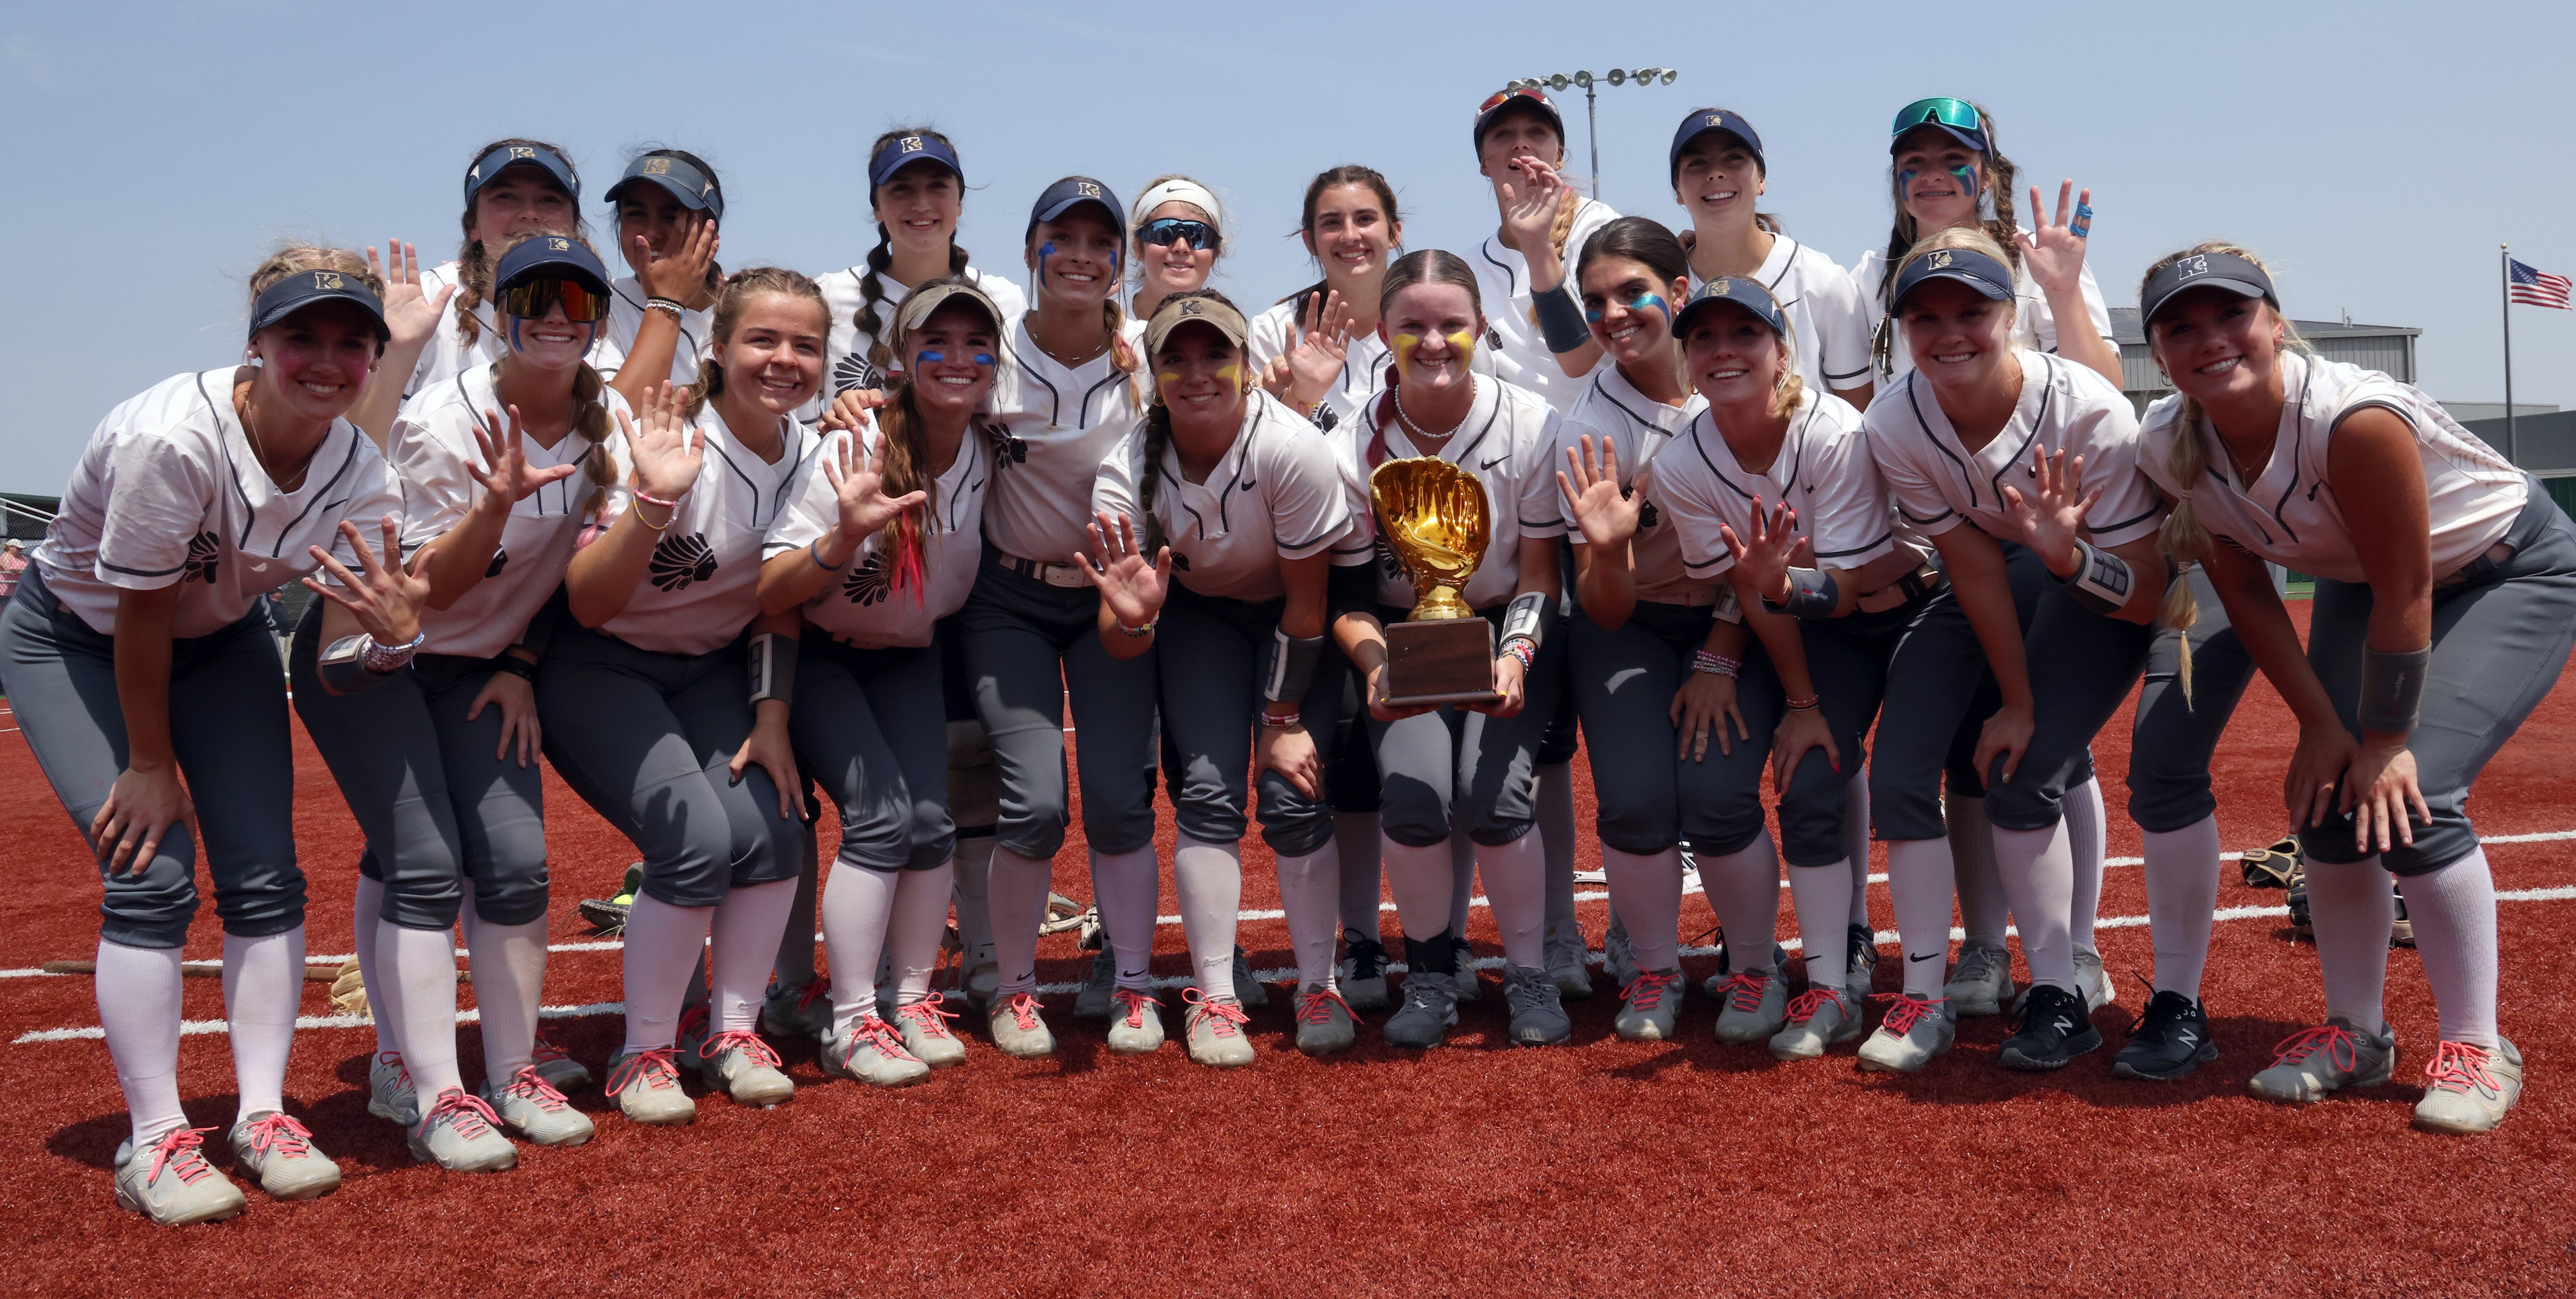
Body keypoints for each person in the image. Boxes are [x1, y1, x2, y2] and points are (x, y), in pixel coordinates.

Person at [1, 248, 416, 1223]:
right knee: (150, 871)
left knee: (267, 872)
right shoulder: (172, 439)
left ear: (372, 360)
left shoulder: (362, 474)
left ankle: (262, 1116)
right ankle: (153, 1139)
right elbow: (137, 614)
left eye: (351, 344)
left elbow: (342, 660)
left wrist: (399, 642)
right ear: (256, 345)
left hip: (219, 640)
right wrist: (150, 764)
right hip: (77, 637)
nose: (325, 361)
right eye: (299, 338)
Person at [2132, 243, 2570, 1131]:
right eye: (2182, 328)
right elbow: (2249, 590)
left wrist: (2379, 739)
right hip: (2363, 583)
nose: (2211, 339)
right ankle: (2357, 1033)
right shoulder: (2167, 443)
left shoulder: (2351, 417)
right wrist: (2319, 726)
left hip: (2505, 570)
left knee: (2415, 792)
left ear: (2275, 322)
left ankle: (2478, 1043)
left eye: (2232, 315)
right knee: (2330, 798)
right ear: (2160, 352)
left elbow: (2407, 588)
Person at [304, 233, 626, 1169]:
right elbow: (427, 590)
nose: (557, 317)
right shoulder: (448, 421)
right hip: (374, 654)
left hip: (476, 666)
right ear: (492, 313)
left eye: (577, 300)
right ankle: (427, 1084)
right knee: (424, 862)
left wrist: (522, 662)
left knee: (519, 865)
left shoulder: (603, 430)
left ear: (600, 320)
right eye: (535, 298)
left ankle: (510, 1067)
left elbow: (565, 581)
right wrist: (493, 506)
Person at [1858, 229, 2167, 1071]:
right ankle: (1922, 998)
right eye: (1926, 317)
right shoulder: (1896, 420)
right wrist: (2016, 697)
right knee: (1901, 770)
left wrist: (2068, 558)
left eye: (1973, 311)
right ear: (1900, 329)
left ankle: (2062, 988)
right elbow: (1974, 570)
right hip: (2002, 574)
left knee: (2027, 773)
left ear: (2012, 314)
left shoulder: (2088, 410)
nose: (1950, 332)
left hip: (2105, 583)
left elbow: (2146, 589)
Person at [540, 268, 821, 1124]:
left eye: (805, 344)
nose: (783, 359)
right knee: (695, 843)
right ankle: (645, 1051)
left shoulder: (811, 454)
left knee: (776, 833)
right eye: (762, 340)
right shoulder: (656, 434)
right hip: (600, 665)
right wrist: (656, 501)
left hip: (709, 672)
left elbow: (781, 600)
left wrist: (772, 722)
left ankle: (731, 1033)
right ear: (719, 349)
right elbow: (586, 602)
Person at [1087, 290, 1356, 1060]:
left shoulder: (1292, 447)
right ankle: (1215, 996)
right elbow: (1120, 641)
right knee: (1206, 792)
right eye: (1177, 356)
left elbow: (1307, 601)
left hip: (1289, 618)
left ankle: (1317, 985)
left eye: (1217, 355)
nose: (1197, 372)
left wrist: (1280, 721)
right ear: (1155, 369)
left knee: (1294, 793)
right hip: (1200, 619)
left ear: (1246, 366)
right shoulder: (1127, 465)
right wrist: (1136, 615)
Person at [758, 278, 1001, 1085]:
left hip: (910, 654)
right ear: (901, 358)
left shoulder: (992, 443)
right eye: (937, 341)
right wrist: (838, 538)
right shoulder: (852, 443)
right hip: (826, 654)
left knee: (932, 826)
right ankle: (852, 1021)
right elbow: (772, 589)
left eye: (977, 344)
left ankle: (910, 999)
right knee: (881, 820)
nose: (957, 358)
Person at [1326, 249, 1569, 1049]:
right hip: (1403, 638)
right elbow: (1350, 599)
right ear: (1382, 334)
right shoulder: (1348, 442)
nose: (1433, 342)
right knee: (1419, 796)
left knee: (1495, 799)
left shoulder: (1531, 423)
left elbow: (1540, 573)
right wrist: (1377, 665)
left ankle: (1529, 972)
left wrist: (1518, 657)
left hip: (1507, 628)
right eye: (1412, 327)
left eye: (1451, 325)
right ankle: (1429, 973)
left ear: (1482, 330)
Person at [966, 177, 1160, 1058]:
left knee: (1121, 803)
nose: (1081, 256)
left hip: (1111, 601)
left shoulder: (1151, 359)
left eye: (1099, 241)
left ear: (1120, 262)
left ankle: (1130, 983)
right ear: (1032, 250)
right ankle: (1013, 989)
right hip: (1008, 598)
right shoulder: (989, 355)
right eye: (1062, 238)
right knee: (1036, 804)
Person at [1854, 98, 2119, 388]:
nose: (1932, 175)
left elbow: (2105, 390)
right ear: (1896, 177)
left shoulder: (2036, 257)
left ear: (1987, 178)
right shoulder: (1872, 274)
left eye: (1954, 160)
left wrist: (2064, 296)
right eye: (1915, 162)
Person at [350, 140, 585, 439]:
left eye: (549, 199)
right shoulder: (424, 298)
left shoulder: (596, 306)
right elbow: (358, 446)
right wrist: (396, 353)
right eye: (507, 197)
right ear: (472, 225)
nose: (530, 214)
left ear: (574, 226)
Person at [1465, 87, 1619, 411]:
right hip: (1520, 449)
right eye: (1503, 134)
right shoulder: (1468, 270)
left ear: (1559, 155)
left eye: (1536, 131)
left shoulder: (1598, 227)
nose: (1520, 143)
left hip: (1609, 435)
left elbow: (1579, 361)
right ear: (1483, 162)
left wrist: (1537, 245)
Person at [594, 147, 724, 406]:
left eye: (672, 216)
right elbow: (616, 423)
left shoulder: (752, 306)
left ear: (711, 227)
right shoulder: (597, 305)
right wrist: (667, 302)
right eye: (636, 214)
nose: (651, 233)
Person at [1129, 176, 1226, 322]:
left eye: (1198, 236)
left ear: (1214, 255)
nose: (1181, 247)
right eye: (1163, 233)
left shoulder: (1233, 335)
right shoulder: (1100, 327)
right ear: (1138, 248)